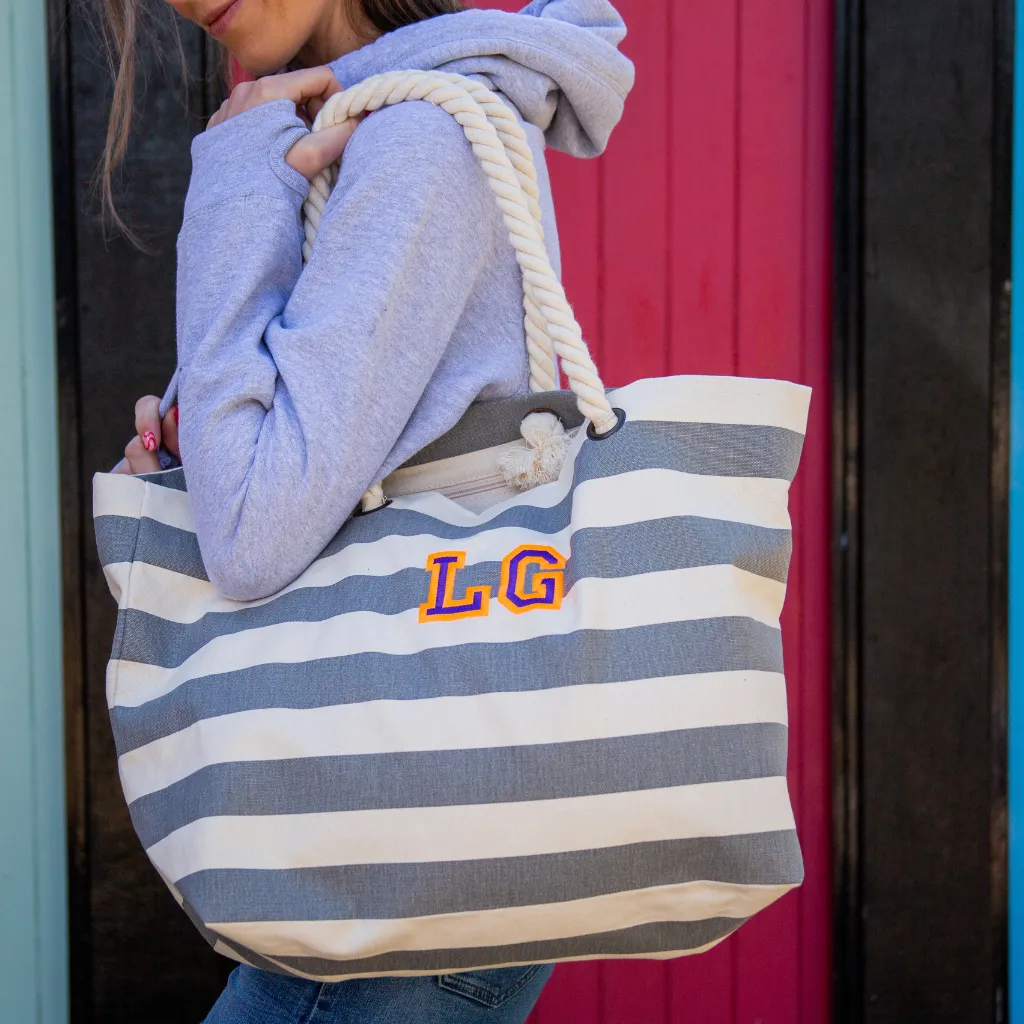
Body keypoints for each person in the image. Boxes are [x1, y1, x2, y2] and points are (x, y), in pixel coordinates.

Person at [101, 0, 632, 1019]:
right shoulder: (385, 123)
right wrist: (197, 440)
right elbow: (299, 472)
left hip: (397, 849)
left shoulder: (421, 135)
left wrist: (233, 176)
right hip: (409, 824)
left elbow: (254, 539)